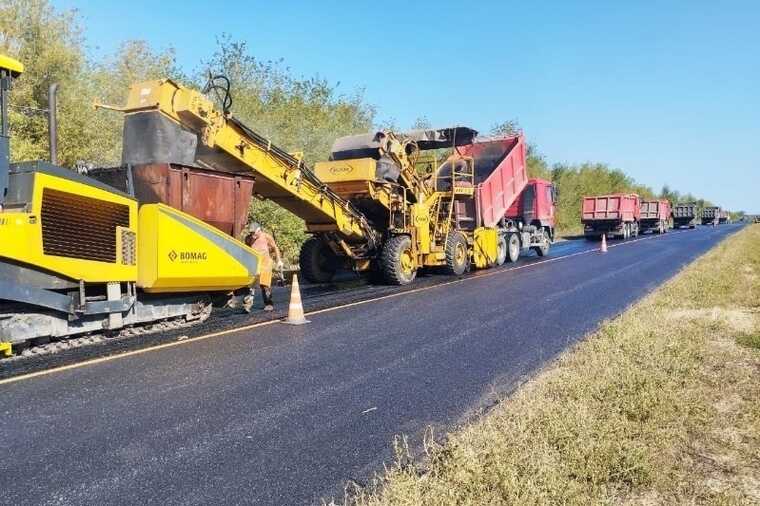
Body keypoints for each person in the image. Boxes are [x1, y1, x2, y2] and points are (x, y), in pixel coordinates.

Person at [244, 222, 284, 311]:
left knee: (265, 285)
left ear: (259, 230)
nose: (252, 235)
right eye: (250, 233)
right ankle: (247, 305)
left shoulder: (266, 237)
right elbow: (246, 250)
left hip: (265, 264)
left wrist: (279, 261)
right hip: (254, 264)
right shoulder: (248, 239)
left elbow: (275, 248)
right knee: (250, 285)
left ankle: (269, 303)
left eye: (253, 233)